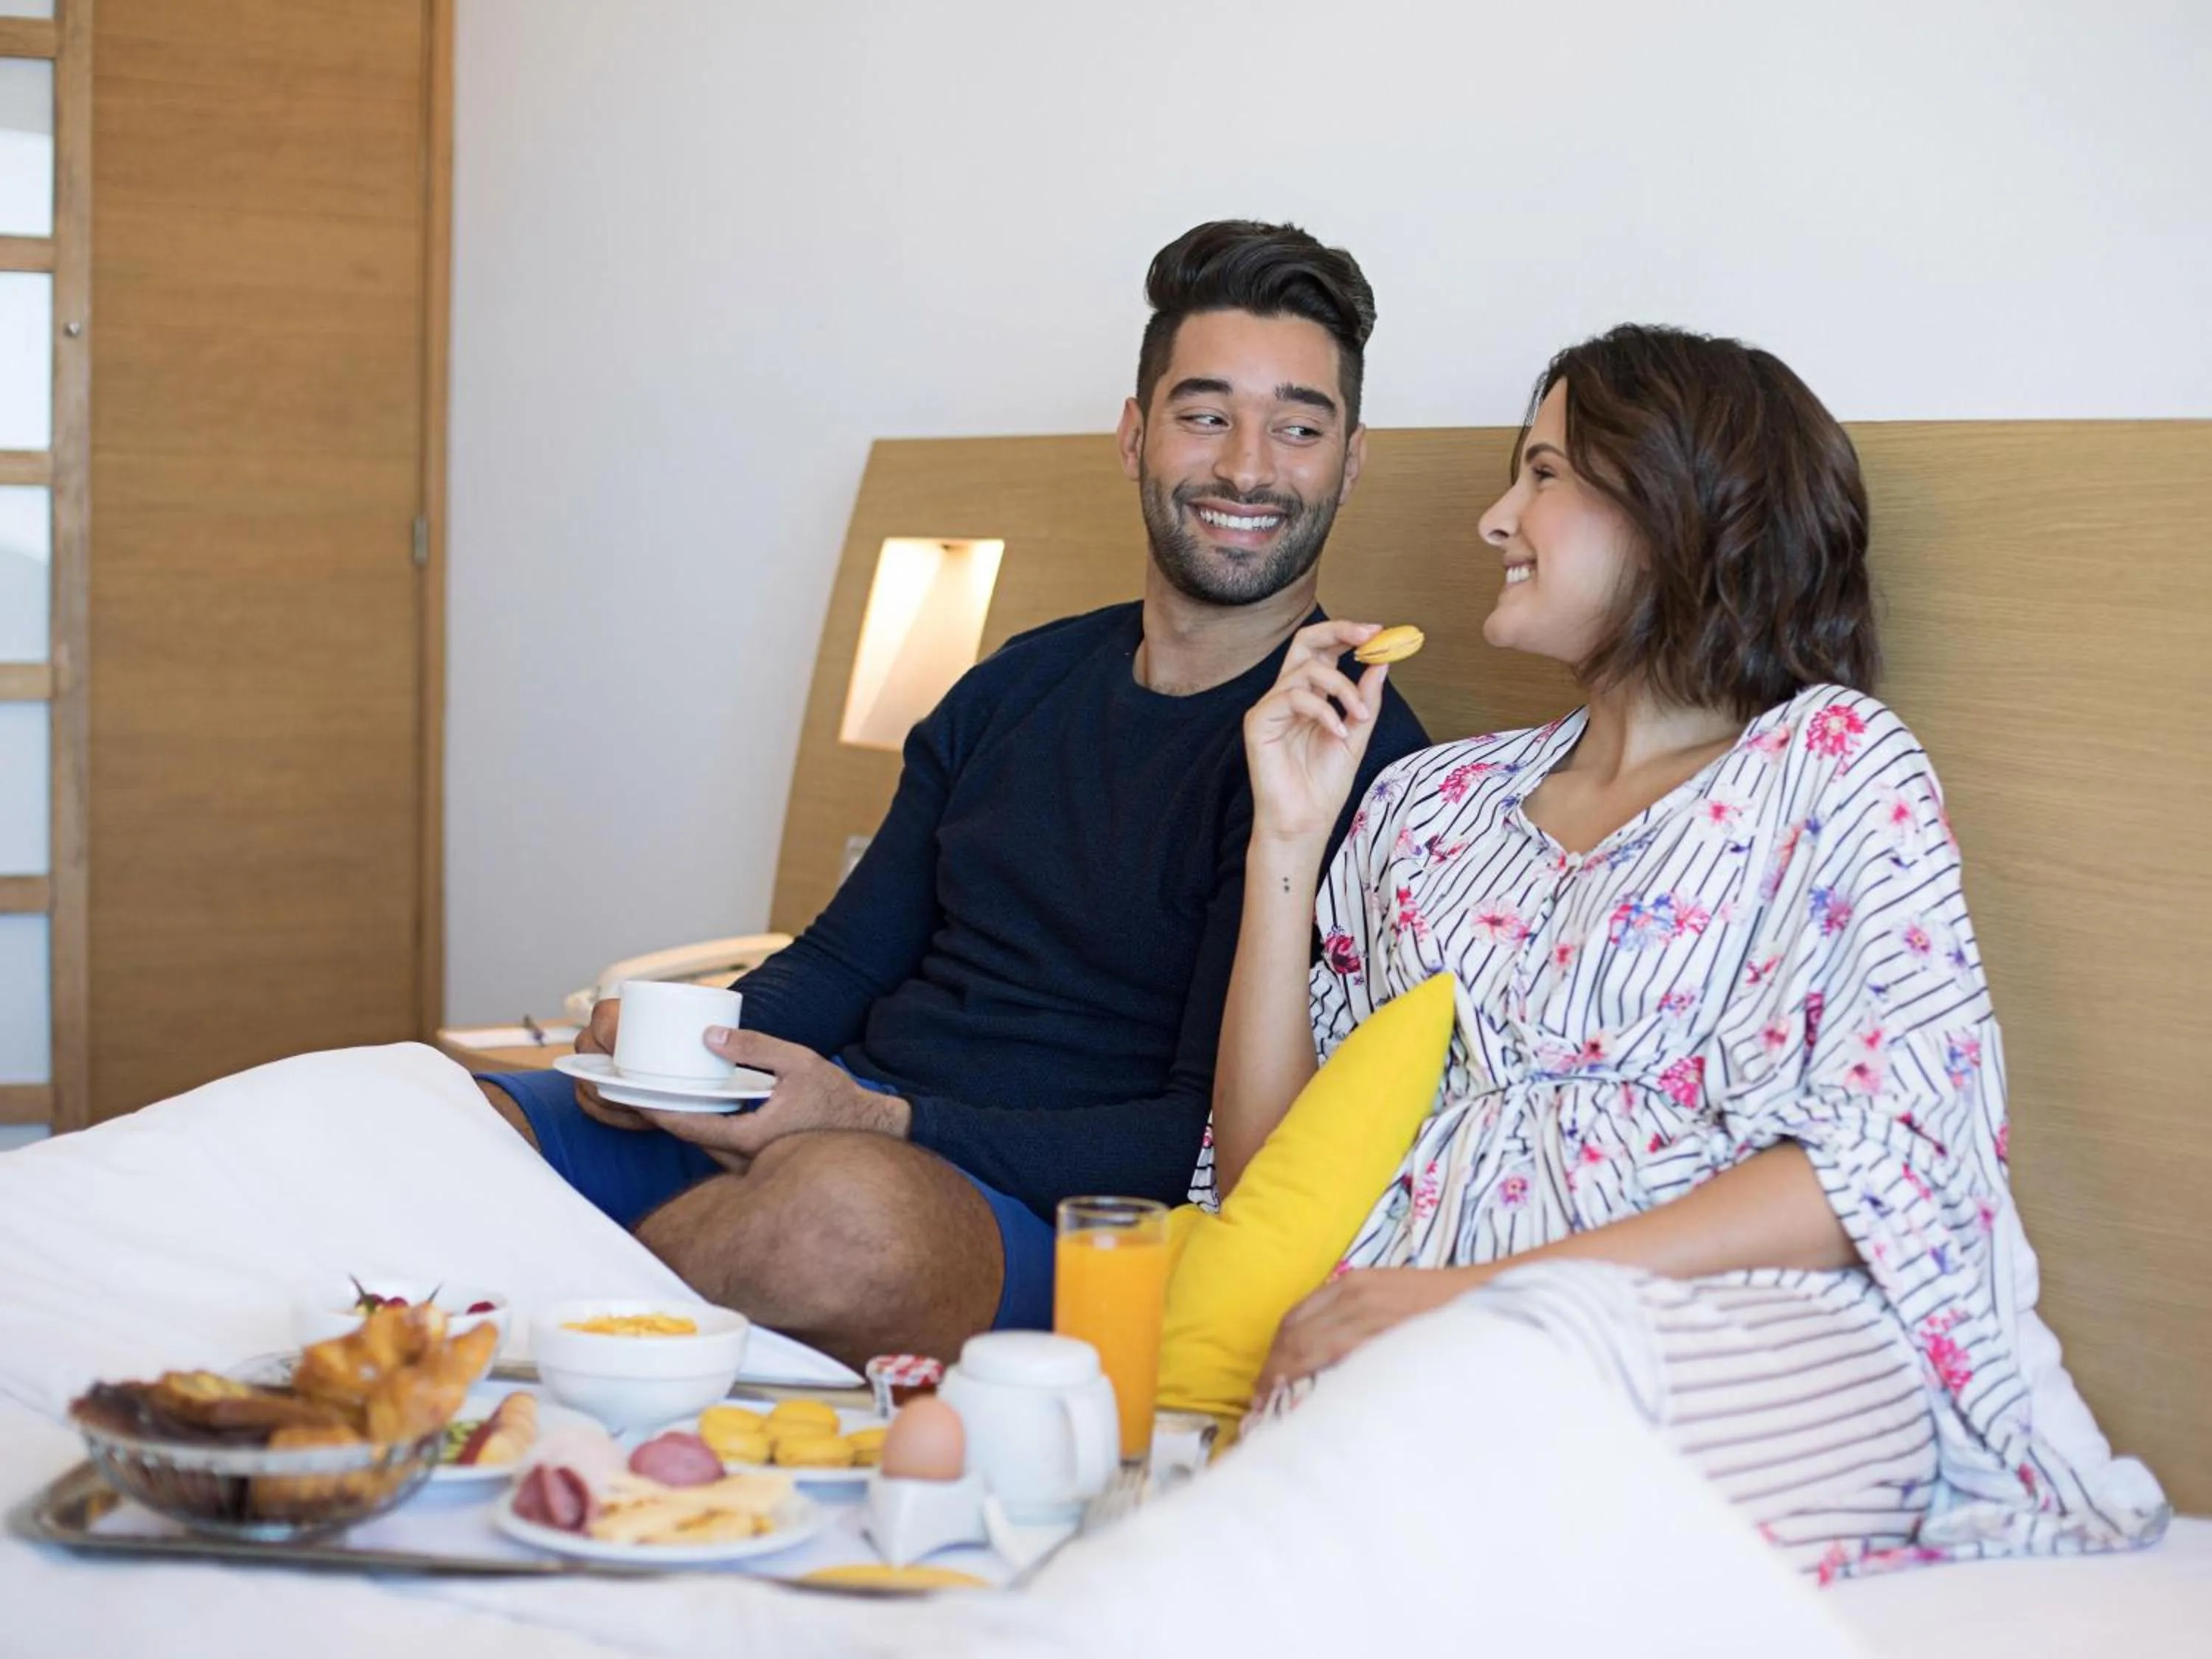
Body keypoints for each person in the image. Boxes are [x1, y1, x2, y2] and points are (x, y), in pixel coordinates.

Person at [1206, 324, 2164, 1578]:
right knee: (1335, 1452)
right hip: (1418, 1338)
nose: (1497, 518)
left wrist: (1482, 1300)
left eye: (1544, 474)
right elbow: (1269, 1182)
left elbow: (1876, 1161)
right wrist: (1288, 835)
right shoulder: (1426, 806)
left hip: (1735, 1328)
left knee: (1492, 1411)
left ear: (1678, 507)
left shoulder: (1831, 761)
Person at [479, 220, 1428, 1369]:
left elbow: (1201, 1136)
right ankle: (516, 1311)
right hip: (830, 1124)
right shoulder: (1018, 681)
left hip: (1021, 1210)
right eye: (1205, 413)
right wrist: (686, 1059)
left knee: (839, 1218)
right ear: (1135, 436)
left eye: (1298, 427)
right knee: (438, 1105)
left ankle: (493, 1327)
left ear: (1352, 460)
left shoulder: (1342, 749)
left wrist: (878, 1124)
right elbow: (839, 963)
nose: (1247, 466)